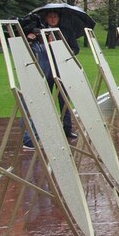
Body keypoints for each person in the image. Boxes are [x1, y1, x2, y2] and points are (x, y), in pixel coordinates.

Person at [21, 10, 80, 149]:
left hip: (61, 69)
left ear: (59, 18)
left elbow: (75, 48)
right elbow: (32, 47)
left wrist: (66, 52)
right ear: (46, 18)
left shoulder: (65, 32)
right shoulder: (40, 31)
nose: (53, 19)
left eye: (55, 16)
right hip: (45, 69)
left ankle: (67, 128)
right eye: (50, 17)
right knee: (44, 98)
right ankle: (45, 129)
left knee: (64, 99)